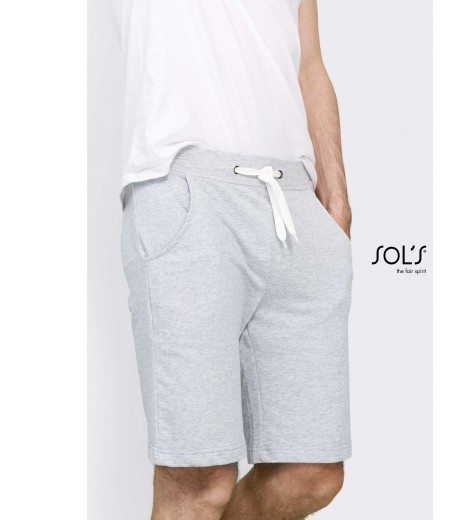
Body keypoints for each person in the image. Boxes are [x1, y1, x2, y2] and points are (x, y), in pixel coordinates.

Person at [117, 0, 353, 518]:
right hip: (189, 188)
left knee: (312, 471)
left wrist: (336, 201)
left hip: (294, 198)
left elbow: (309, 62)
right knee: (197, 479)